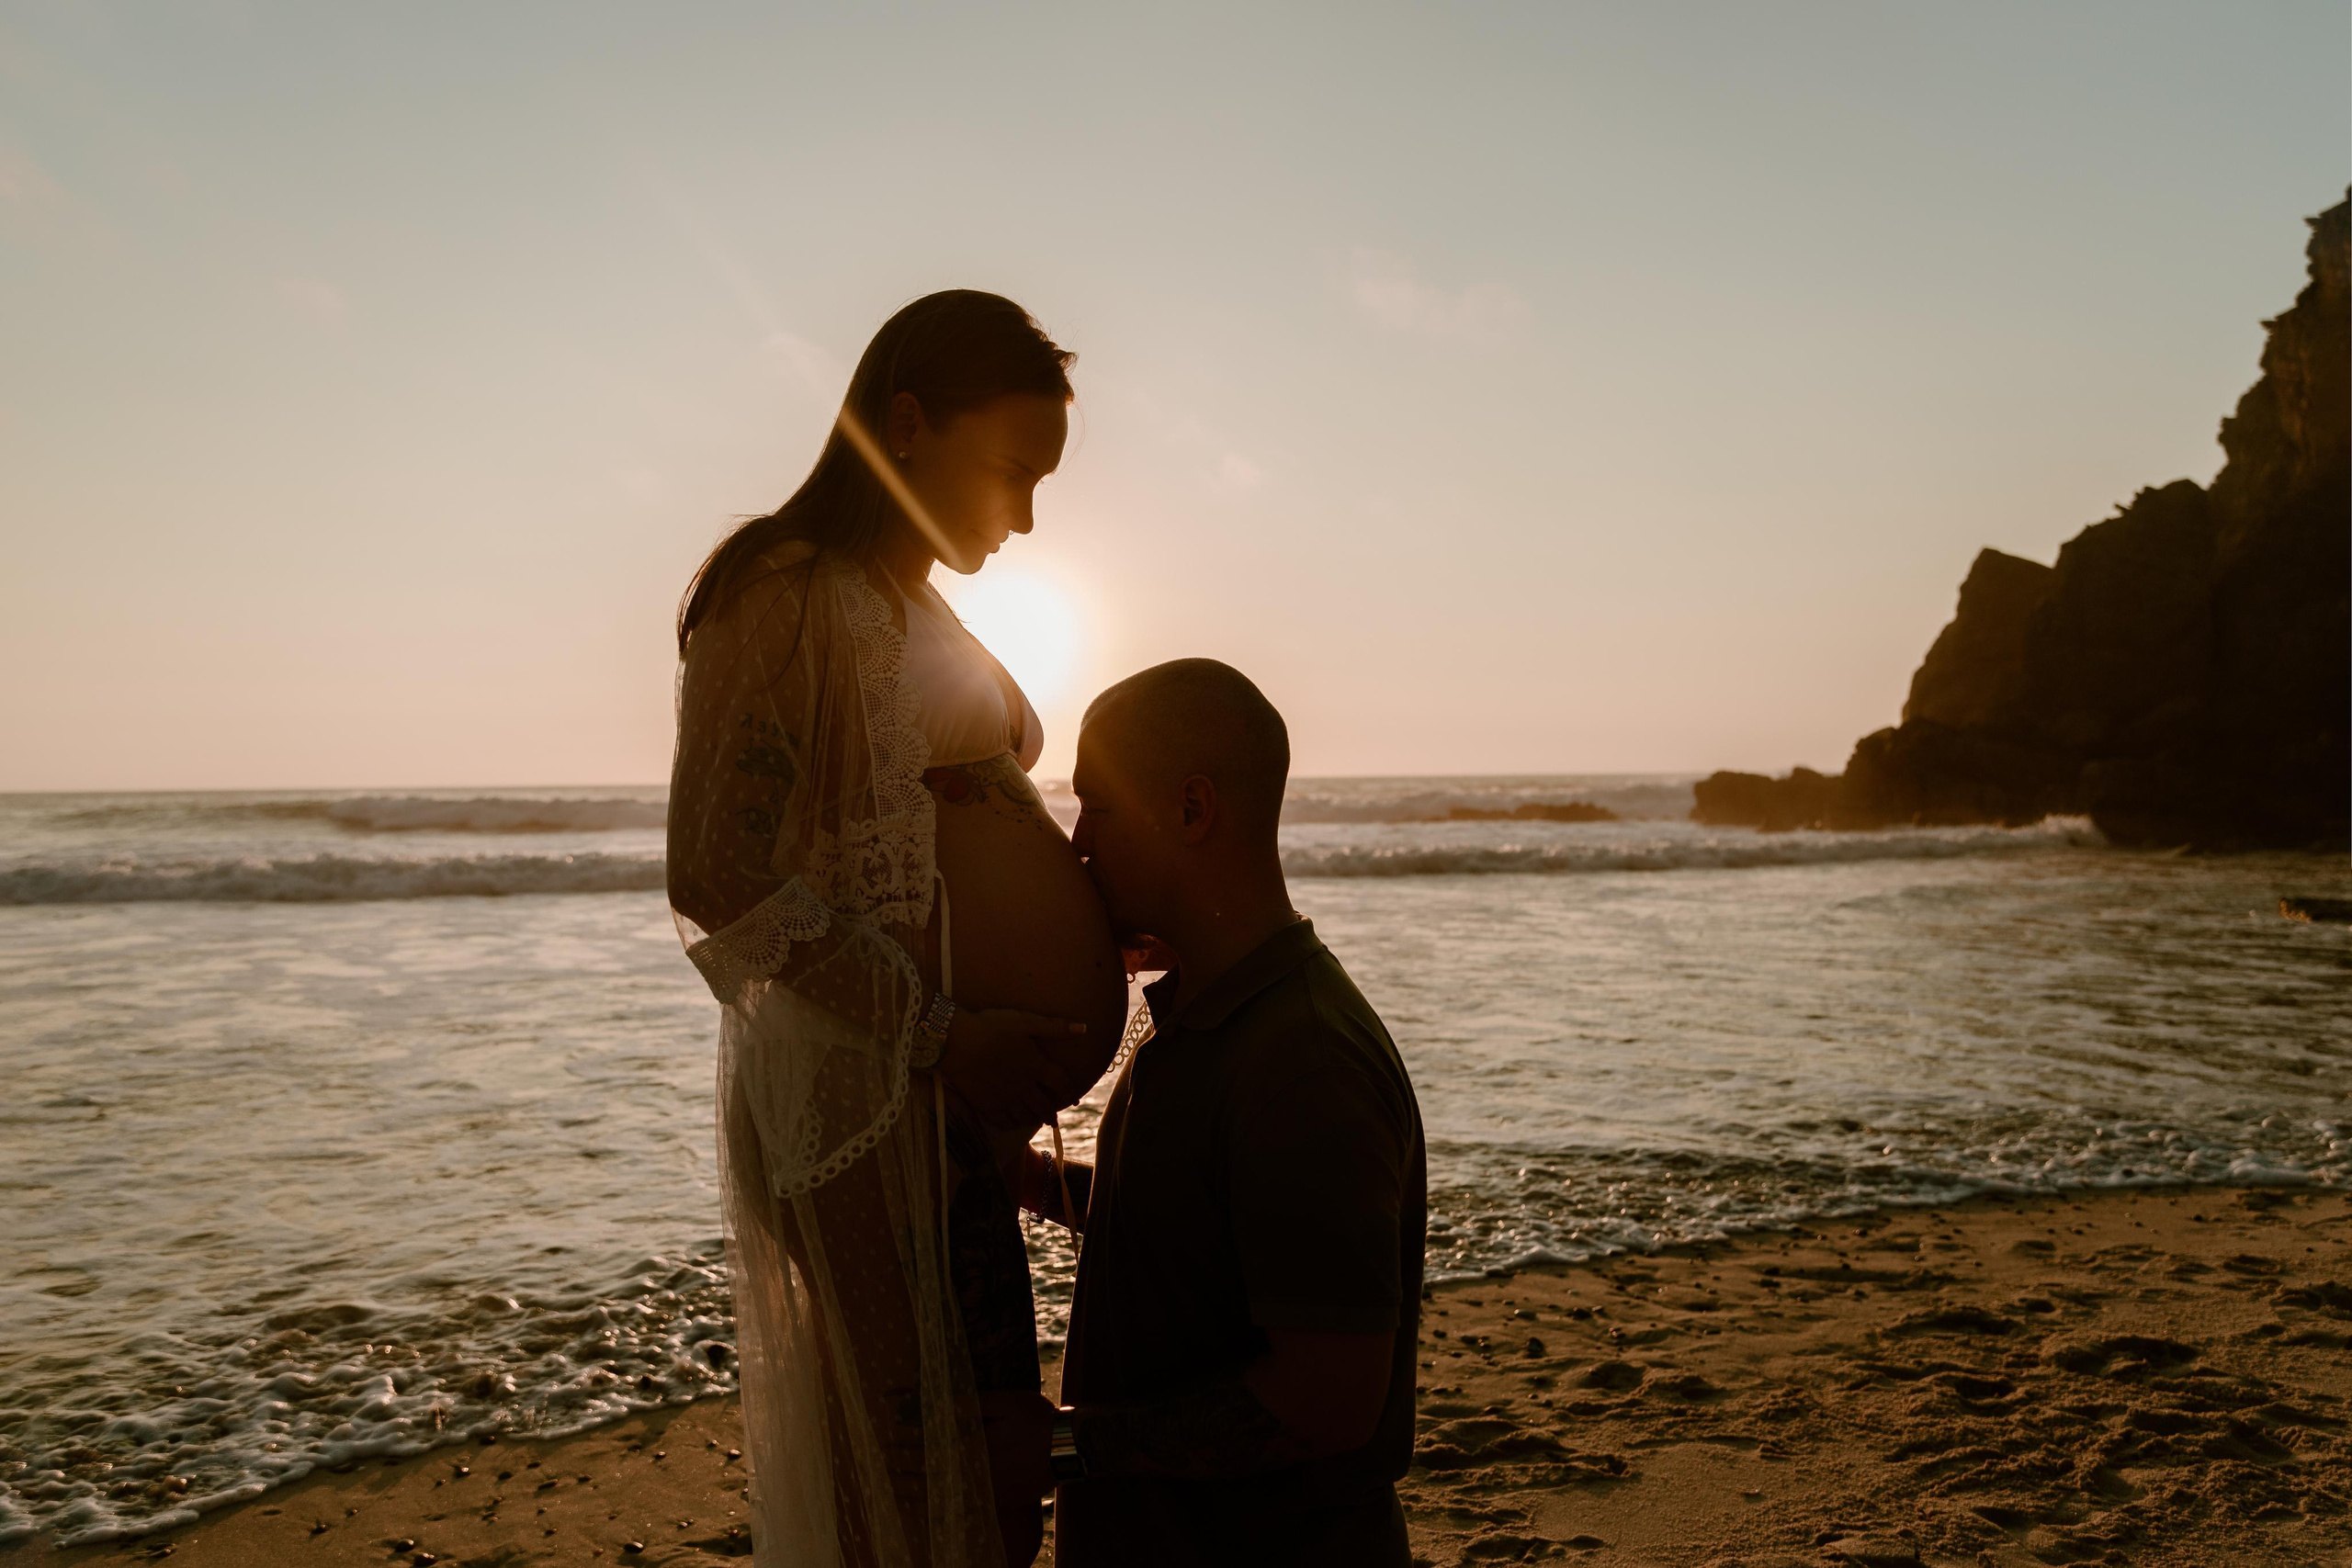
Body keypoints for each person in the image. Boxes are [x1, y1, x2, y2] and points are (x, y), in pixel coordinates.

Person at [667, 290, 1129, 1568]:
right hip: (867, 1106)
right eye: (1012, 471)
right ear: (909, 423)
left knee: (982, 1464)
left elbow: (932, 841)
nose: (1026, 516)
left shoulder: (910, 599)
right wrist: (935, 1035)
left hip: (940, 1106)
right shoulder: (784, 592)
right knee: (924, 1474)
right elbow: (716, 867)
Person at [986, 660, 1429, 1566]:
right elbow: (1199, 1237)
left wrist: (1060, 1448)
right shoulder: (1203, 1017)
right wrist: (1031, 1181)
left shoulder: (1303, 1061)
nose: (1076, 845)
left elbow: (1330, 1395)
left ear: (1192, 811)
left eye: (1097, 808)